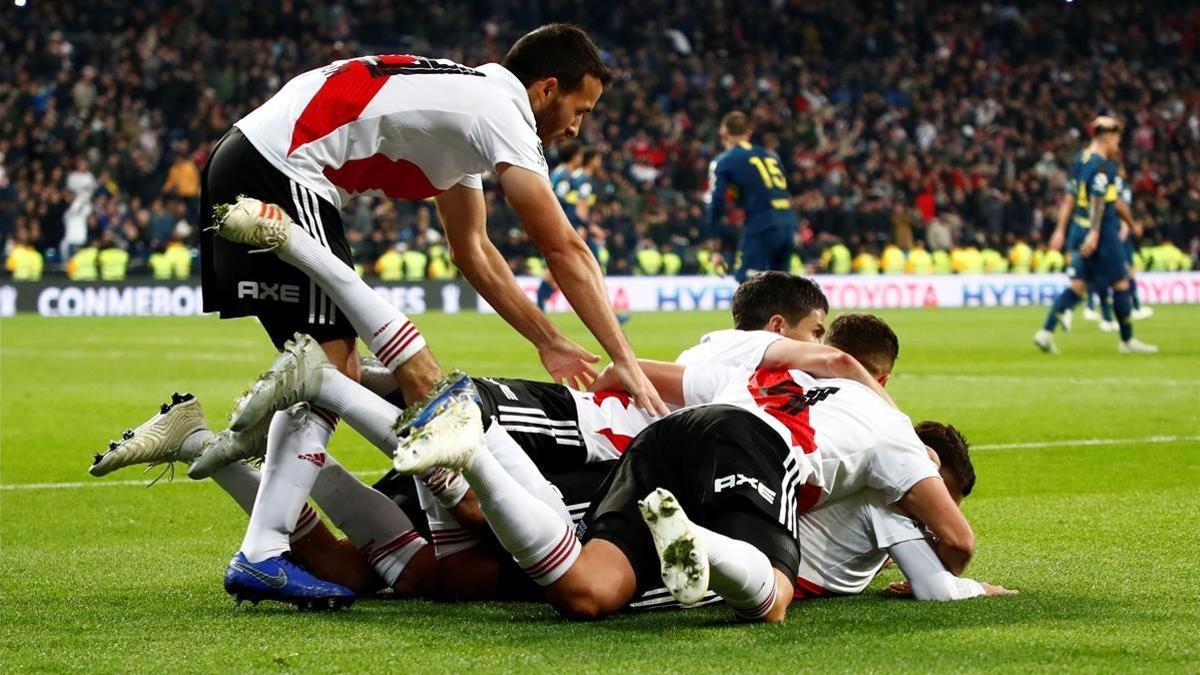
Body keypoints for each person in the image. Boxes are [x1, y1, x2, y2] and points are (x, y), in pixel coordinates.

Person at [195, 23, 667, 608]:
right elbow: (563, 247)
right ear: (546, 89)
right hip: (284, 171)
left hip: (248, 157)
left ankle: (261, 523)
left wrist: (549, 340)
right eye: (580, 108)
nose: (577, 126)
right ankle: (261, 552)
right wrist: (625, 358)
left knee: (325, 371)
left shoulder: (467, 109)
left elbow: (473, 251)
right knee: (327, 375)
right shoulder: (503, 113)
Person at [1035, 117, 1156, 354]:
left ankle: (1046, 332)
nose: (1118, 144)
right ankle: (1127, 341)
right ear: (1108, 138)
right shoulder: (1103, 166)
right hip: (1101, 233)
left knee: (1077, 286)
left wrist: (1060, 230)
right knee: (1121, 282)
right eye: (1117, 138)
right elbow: (1100, 200)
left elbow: (1070, 197)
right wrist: (1097, 231)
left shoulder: (1080, 159)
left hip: (1077, 231)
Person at [704, 113, 798, 282]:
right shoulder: (771, 156)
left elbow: (716, 203)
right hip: (788, 223)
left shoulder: (724, 161)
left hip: (761, 225)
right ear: (749, 133)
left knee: (750, 287)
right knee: (781, 290)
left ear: (723, 134)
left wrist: (715, 246)